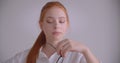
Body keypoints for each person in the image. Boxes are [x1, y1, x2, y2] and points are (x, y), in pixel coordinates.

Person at [5, 1, 100, 63]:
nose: (56, 26)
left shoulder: (79, 57)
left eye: (61, 21)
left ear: (67, 25)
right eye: (50, 21)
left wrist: (85, 50)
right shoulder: (23, 58)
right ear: (41, 25)